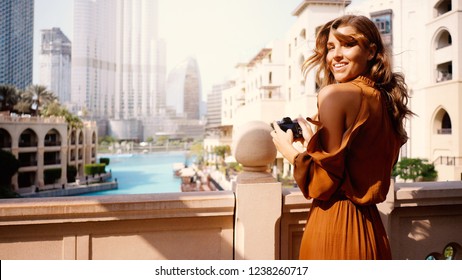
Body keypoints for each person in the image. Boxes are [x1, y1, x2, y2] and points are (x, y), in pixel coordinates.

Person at [271, 15, 413, 259]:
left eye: (347, 44)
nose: (335, 55)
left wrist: (291, 153)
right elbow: (355, 165)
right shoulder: (384, 99)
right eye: (330, 47)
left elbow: (323, 185)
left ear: (370, 52)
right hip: (371, 231)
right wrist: (313, 147)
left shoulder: (335, 95)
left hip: (334, 228)